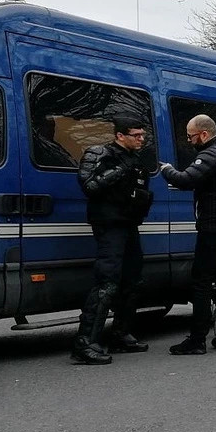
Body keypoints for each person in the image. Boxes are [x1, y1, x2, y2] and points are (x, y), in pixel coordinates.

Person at [160, 115, 216, 354]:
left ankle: (197, 340)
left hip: (213, 227)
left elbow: (185, 180)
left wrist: (166, 170)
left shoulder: (211, 154)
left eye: (191, 136)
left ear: (204, 134)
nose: (189, 141)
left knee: (201, 281)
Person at [71, 116, 153, 365]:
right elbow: (89, 185)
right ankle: (85, 343)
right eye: (136, 135)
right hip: (109, 226)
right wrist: (118, 171)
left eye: (143, 135)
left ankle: (120, 334)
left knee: (133, 280)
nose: (141, 139)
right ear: (120, 135)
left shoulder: (136, 159)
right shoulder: (99, 153)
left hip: (129, 225)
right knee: (106, 283)